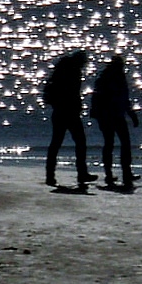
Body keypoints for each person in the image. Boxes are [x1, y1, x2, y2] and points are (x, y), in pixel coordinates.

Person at [44, 51, 96, 188]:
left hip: (60, 111)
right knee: (79, 142)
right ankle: (81, 173)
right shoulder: (73, 71)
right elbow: (72, 92)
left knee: (56, 143)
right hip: (68, 111)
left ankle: (50, 175)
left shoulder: (63, 69)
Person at [90, 55, 140, 188]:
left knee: (113, 144)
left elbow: (124, 99)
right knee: (118, 143)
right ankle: (116, 173)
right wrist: (130, 114)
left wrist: (131, 114)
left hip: (112, 115)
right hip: (111, 115)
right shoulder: (111, 78)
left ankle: (118, 173)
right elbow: (121, 98)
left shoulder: (106, 77)